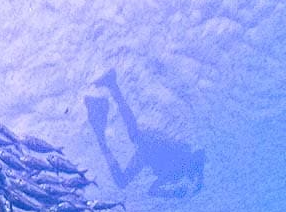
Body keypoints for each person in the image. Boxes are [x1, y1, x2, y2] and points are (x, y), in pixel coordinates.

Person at [86, 69, 205, 198]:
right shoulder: (178, 171)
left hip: (147, 152)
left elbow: (153, 189)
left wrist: (175, 192)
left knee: (132, 131)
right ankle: (112, 85)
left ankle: (112, 86)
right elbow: (153, 190)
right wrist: (173, 194)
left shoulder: (182, 164)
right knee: (132, 132)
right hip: (148, 148)